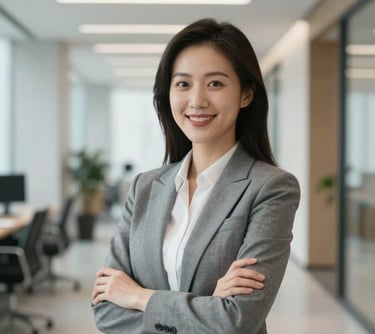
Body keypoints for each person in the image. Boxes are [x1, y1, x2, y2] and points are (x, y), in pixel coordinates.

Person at [92, 18, 300, 334]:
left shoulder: (271, 188)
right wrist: (206, 311)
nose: (197, 100)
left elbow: (236, 320)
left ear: (246, 94)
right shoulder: (145, 187)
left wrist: (138, 297)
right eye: (183, 84)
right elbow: (106, 312)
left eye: (215, 83)